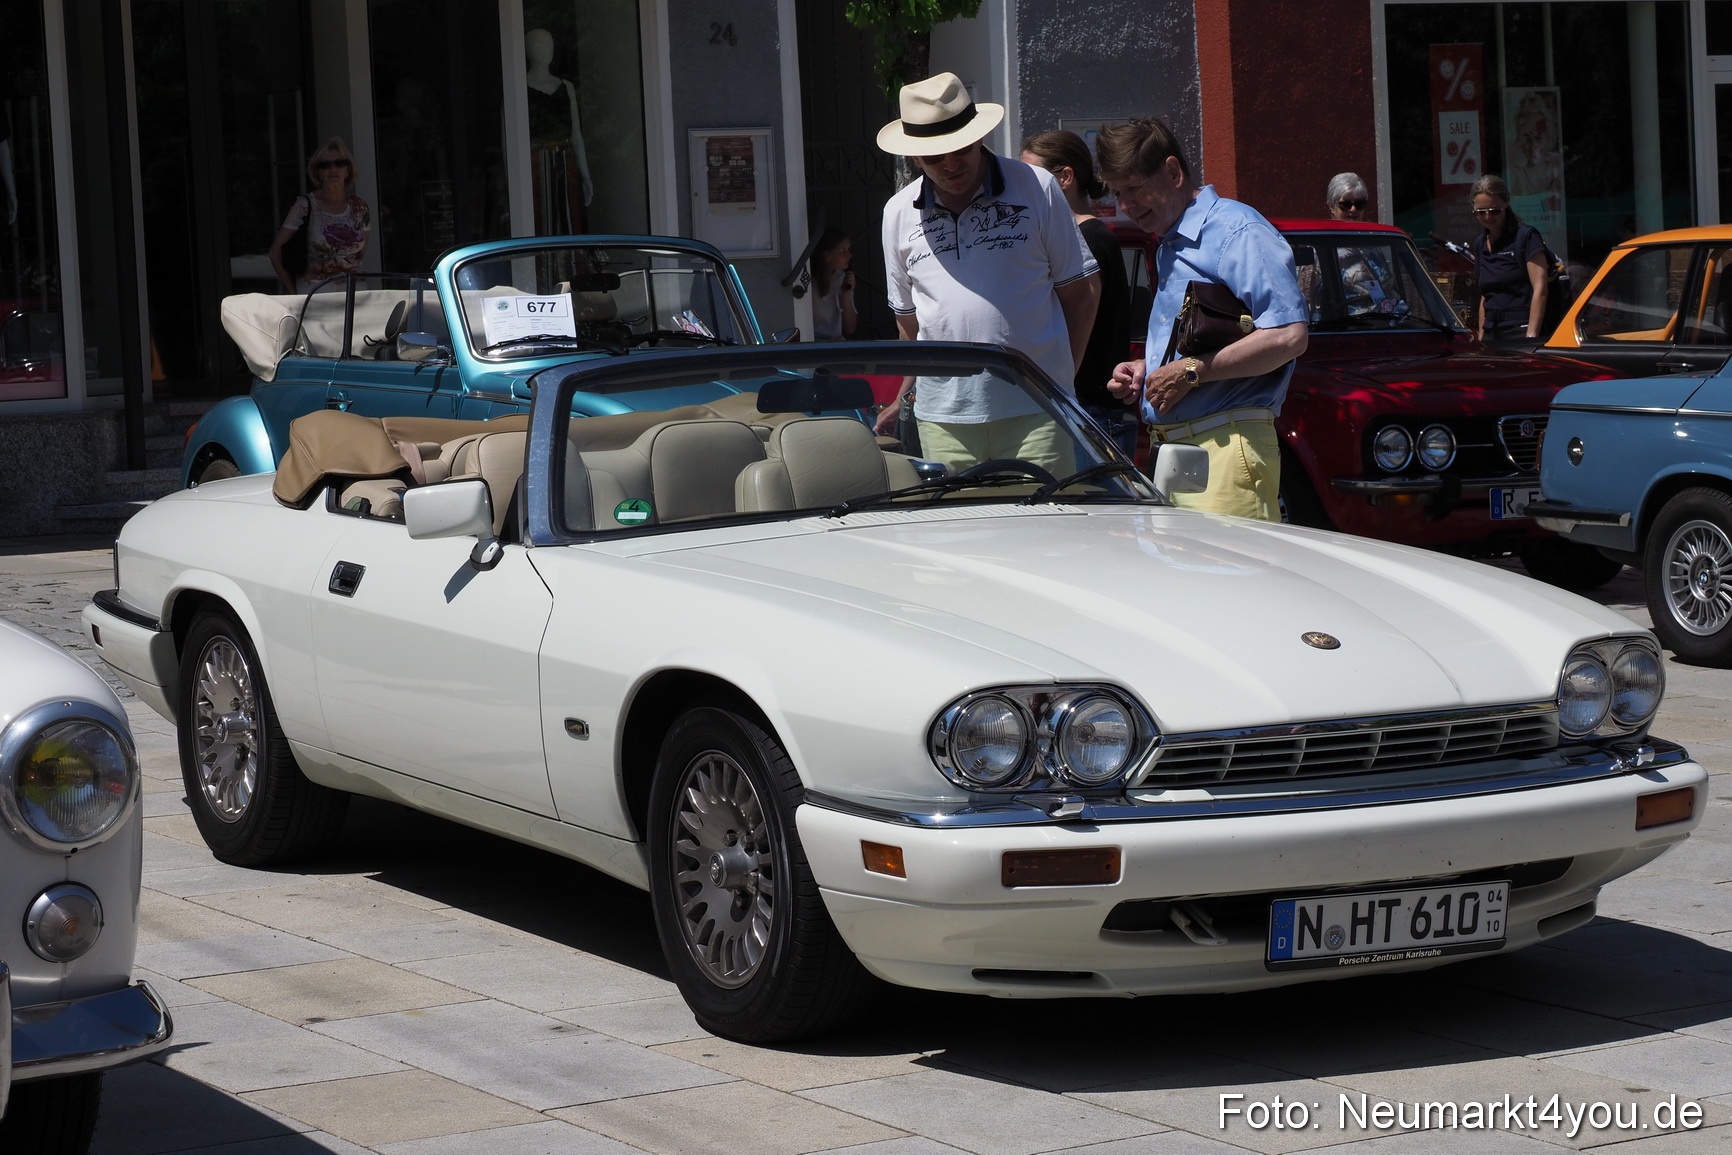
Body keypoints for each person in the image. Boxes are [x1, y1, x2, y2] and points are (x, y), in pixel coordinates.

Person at [872, 72, 1100, 475]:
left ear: (978, 137)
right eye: (933, 156)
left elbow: (1081, 295)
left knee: (1046, 534)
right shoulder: (898, 212)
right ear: (914, 157)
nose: (950, 163)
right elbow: (909, 324)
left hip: (1038, 413)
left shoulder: (1037, 187)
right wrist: (903, 397)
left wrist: (1061, 383)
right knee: (961, 536)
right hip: (943, 419)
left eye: (959, 148)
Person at [1095, 117, 1308, 520]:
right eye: (1118, 193)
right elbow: (1212, 336)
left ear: (1173, 172)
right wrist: (1149, 369)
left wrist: (1188, 371)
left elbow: (1288, 336)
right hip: (1184, 453)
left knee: (1227, 580)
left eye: (1135, 188)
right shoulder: (1171, 242)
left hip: (1227, 447)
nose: (1126, 206)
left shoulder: (1236, 229)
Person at [1022, 130, 1135, 455]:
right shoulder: (1073, 237)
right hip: (1080, 404)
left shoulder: (1091, 239)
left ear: (1065, 177)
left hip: (1092, 408)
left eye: (1033, 176)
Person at [269, 137, 370, 294]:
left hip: (355, 291)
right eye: (325, 165)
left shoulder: (360, 207)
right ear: (318, 174)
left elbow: (360, 253)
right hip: (316, 292)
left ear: (347, 170)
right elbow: (275, 252)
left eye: (339, 163)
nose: (333, 169)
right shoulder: (304, 205)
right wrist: (292, 291)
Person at [525, 27, 592, 235]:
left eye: (549, 44)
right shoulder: (518, 87)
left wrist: (585, 175)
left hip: (564, 164)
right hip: (535, 164)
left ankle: (570, 263)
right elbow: (508, 138)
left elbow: (576, 134)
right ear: (527, 50)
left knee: (567, 217)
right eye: (538, 44)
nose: (545, 49)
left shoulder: (566, 87)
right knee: (539, 219)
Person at [1471, 174, 1548, 341]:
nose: (1488, 217)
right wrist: (1481, 337)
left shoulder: (1526, 237)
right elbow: (1485, 295)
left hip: (1520, 330)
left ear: (1506, 203)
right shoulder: (1480, 244)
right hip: (1492, 331)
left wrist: (1531, 336)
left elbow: (1540, 288)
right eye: (1480, 212)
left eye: (1494, 211)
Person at [809, 227, 857, 341]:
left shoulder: (841, 278)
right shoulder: (808, 281)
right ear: (827, 256)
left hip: (835, 341)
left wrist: (846, 297)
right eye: (843, 251)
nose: (849, 255)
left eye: (848, 250)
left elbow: (850, 328)